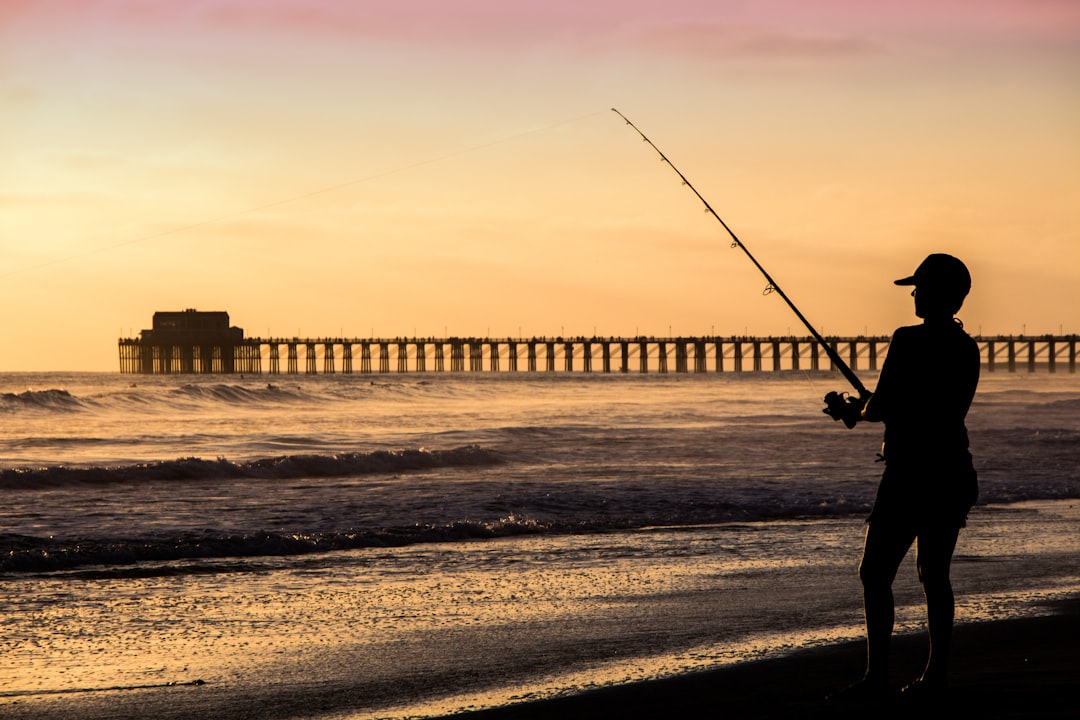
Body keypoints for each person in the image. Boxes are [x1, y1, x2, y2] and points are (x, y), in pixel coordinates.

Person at [828, 253, 980, 701]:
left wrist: (854, 411)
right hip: (953, 470)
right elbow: (923, 403)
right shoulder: (966, 347)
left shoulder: (908, 339)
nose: (913, 293)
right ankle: (935, 677)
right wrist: (868, 409)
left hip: (912, 474)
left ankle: (877, 678)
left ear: (936, 292)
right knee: (935, 575)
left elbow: (886, 405)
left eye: (919, 287)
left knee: (874, 572)